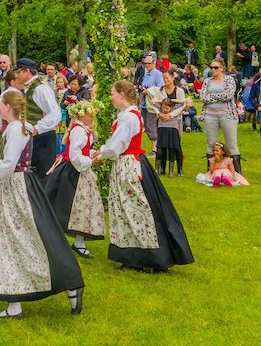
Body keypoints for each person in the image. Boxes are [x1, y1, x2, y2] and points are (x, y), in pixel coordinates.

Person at [0, 88, 83, 319]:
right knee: (18, 239)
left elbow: (9, 164)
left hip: (17, 186)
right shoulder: (20, 128)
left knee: (21, 238)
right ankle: (15, 303)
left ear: (7, 107)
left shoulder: (16, 129)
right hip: (18, 185)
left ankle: (68, 281)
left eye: (0, 105)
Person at [91, 80, 193, 273]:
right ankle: (134, 255)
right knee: (127, 208)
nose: (111, 96)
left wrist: (101, 155)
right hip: (127, 162)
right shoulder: (128, 115)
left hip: (128, 165)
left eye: (113, 92)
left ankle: (146, 256)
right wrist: (102, 151)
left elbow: (117, 146)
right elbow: (115, 143)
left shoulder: (128, 117)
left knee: (134, 208)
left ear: (121, 94)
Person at [46, 99, 103, 258]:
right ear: (82, 115)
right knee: (71, 205)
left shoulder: (82, 128)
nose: (92, 118)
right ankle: (67, 241)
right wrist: (91, 161)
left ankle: (78, 242)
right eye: (90, 115)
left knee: (81, 207)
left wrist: (92, 154)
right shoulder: (79, 130)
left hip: (77, 170)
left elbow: (81, 151)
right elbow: (75, 154)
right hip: (73, 172)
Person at [17, 58, 60, 179]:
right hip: (35, 139)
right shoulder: (28, 88)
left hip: (43, 139)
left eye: (18, 71)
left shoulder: (40, 89)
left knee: (42, 176)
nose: (16, 75)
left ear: (26, 71)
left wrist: (37, 128)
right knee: (33, 176)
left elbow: (55, 114)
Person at [200, 59, 242, 172]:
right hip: (210, 115)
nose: (213, 69)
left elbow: (228, 95)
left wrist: (212, 96)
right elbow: (203, 97)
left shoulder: (229, 80)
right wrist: (218, 96)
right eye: (211, 67)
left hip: (227, 115)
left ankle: (236, 172)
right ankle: (211, 172)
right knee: (211, 144)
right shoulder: (207, 81)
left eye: (216, 67)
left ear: (222, 68)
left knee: (231, 144)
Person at [155, 98, 184, 176]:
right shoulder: (159, 109)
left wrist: (171, 100)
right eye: (163, 108)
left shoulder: (175, 110)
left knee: (172, 150)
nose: (165, 110)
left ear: (171, 108)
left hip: (173, 130)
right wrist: (162, 101)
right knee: (160, 150)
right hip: (162, 130)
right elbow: (152, 102)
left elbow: (183, 102)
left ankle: (173, 171)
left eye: (167, 108)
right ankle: (159, 169)